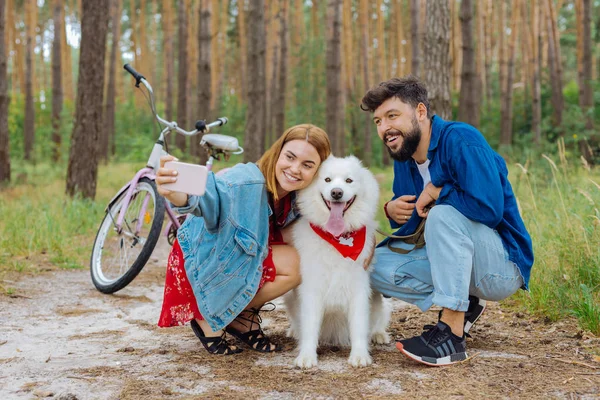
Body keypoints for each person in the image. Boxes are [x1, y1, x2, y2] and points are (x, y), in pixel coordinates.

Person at [360, 76, 534, 366]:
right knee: (372, 265)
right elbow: (415, 227)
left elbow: (489, 209)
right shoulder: (404, 158)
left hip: (502, 266)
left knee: (443, 213)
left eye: (392, 116)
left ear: (419, 112)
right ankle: (466, 304)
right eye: (378, 121)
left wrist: (439, 191)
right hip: (460, 262)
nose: (385, 128)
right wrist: (392, 210)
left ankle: (451, 335)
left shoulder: (461, 140)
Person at [156, 124, 332, 355]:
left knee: (303, 259)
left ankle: (239, 316)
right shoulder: (242, 181)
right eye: (290, 157)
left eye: (307, 165)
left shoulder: (301, 197)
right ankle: (208, 317)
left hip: (240, 259)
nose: (295, 169)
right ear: (277, 152)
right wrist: (174, 192)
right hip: (207, 260)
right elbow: (206, 197)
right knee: (296, 263)